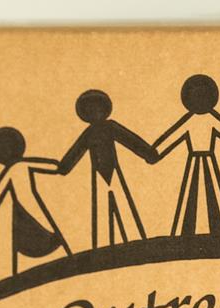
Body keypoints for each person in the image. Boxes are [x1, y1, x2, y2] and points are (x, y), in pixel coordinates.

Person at [153, 74, 220, 239]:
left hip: (208, 161)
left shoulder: (211, 119)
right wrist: (157, 152)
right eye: (196, 97)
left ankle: (218, 230)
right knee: (190, 194)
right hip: (194, 162)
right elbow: (172, 137)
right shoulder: (189, 121)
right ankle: (187, 231)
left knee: (214, 193)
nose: (200, 100)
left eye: (203, 96)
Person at [56, 89, 158, 247]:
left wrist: (148, 153)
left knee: (124, 202)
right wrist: (64, 167)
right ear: (86, 114)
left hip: (114, 171)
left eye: (96, 108)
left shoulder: (111, 127)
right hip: (98, 174)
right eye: (90, 110)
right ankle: (101, 245)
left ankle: (137, 239)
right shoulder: (89, 133)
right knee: (100, 207)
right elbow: (76, 151)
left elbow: (130, 140)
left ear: (104, 110)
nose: (94, 113)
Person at [0, 126, 70, 275]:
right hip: (27, 216)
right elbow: (55, 166)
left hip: (28, 215)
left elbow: (54, 166)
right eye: (3, 148)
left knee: (48, 235)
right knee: (47, 236)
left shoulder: (17, 167)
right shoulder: (15, 169)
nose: (7, 150)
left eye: (8, 146)